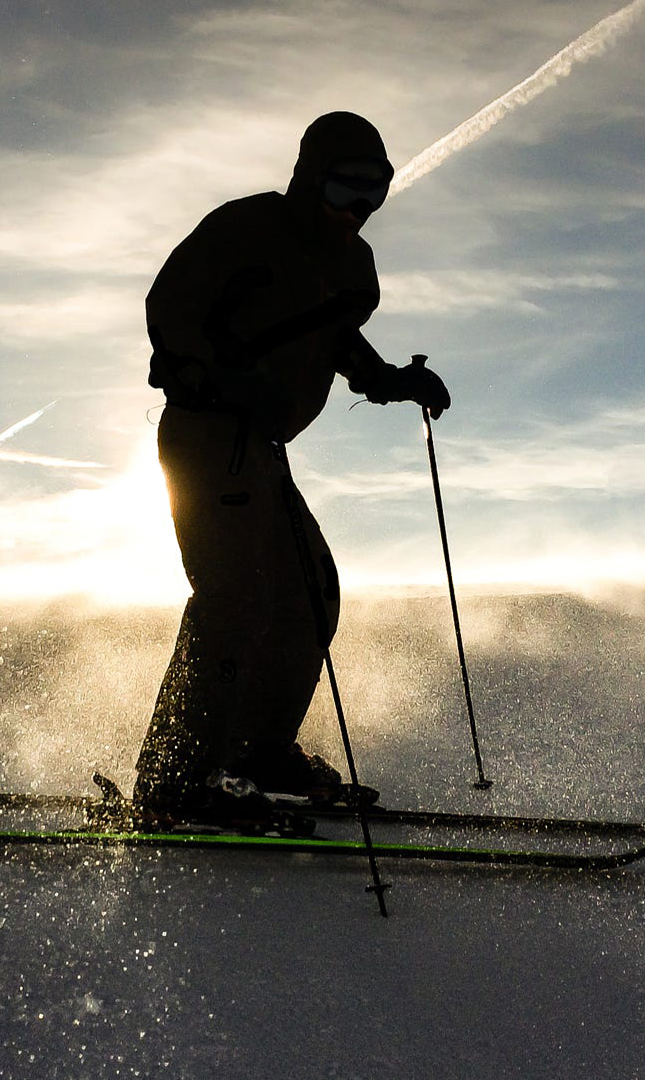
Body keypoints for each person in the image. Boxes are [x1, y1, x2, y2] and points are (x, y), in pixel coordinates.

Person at [132, 111, 451, 822]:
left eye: (375, 194)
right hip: (209, 433)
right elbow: (172, 311)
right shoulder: (248, 230)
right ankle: (177, 779)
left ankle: (254, 757)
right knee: (236, 596)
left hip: (264, 450)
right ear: (311, 178)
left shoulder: (351, 266)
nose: (357, 209)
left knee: (311, 593)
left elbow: (339, 344)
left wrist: (399, 380)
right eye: (344, 189)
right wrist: (217, 377)